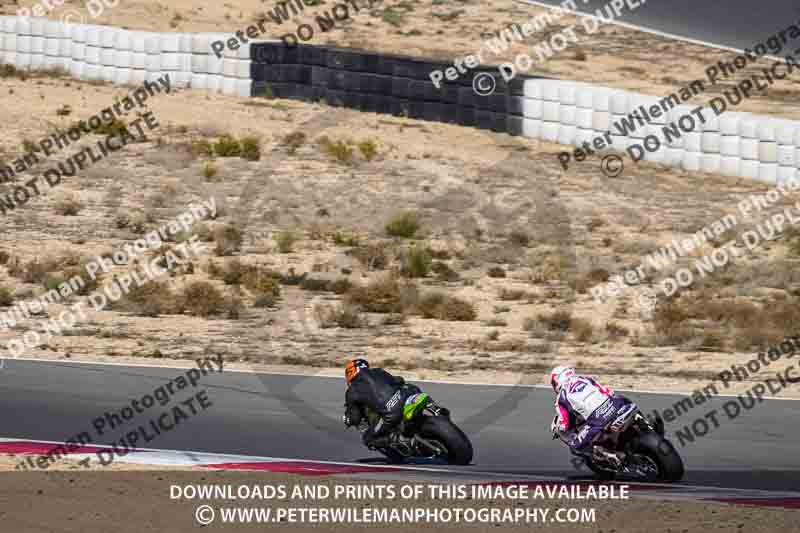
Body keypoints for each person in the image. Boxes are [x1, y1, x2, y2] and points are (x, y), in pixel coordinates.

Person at [549, 365, 636, 467]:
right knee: (623, 399)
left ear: (557, 380)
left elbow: (565, 424)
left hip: (597, 419)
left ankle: (611, 456)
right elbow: (608, 392)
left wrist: (557, 427)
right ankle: (645, 424)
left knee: (575, 445)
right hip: (615, 404)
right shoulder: (586, 379)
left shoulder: (561, 398)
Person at [342, 359, 418, 450]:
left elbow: (355, 418)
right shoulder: (378, 371)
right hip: (404, 397)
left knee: (368, 439)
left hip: (390, 414)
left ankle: (399, 440)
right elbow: (399, 380)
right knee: (411, 387)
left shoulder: (351, 392)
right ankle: (434, 408)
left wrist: (348, 420)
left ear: (350, 373)